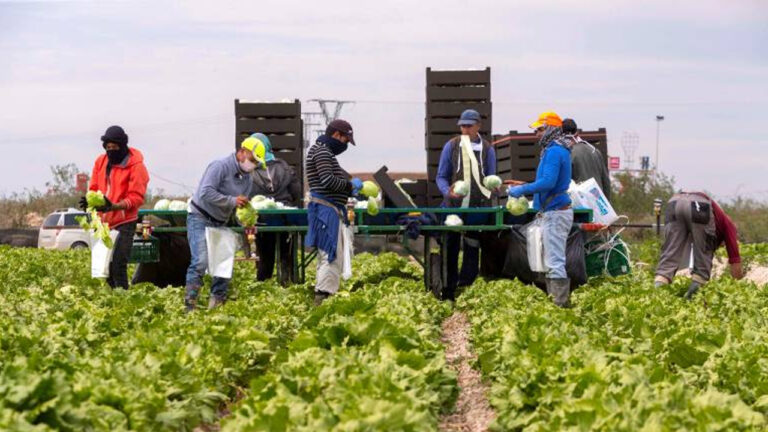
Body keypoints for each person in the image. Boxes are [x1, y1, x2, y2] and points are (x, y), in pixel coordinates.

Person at [184, 137, 265, 311]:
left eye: (256, 163)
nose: (253, 165)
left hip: (220, 221)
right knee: (200, 261)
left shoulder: (248, 178)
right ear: (242, 152)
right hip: (200, 216)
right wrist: (232, 200)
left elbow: (239, 205)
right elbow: (205, 193)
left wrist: (246, 221)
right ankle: (190, 305)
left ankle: (217, 304)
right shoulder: (220, 166)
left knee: (223, 262)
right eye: (252, 160)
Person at [507, 111, 574, 307]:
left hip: (555, 212)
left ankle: (560, 306)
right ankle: (556, 304)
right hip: (553, 210)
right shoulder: (558, 149)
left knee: (554, 262)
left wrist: (521, 190)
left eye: (540, 129)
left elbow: (547, 182)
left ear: (551, 129)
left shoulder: (554, 151)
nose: (537, 133)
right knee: (552, 261)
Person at [435, 109, 497, 301]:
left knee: (472, 244)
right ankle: (448, 289)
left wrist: (494, 187)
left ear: (478, 126)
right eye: (462, 126)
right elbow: (441, 176)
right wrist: (448, 192)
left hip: (478, 207)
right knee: (450, 245)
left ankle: (467, 285)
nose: (465, 129)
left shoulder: (488, 149)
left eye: (469, 126)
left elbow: (491, 176)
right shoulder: (451, 146)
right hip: (454, 207)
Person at [80, 125, 149, 290]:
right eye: (108, 147)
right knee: (107, 265)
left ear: (122, 146)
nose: (111, 151)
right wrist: (91, 202)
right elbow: (95, 187)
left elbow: (136, 197)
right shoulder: (101, 161)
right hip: (104, 222)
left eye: (115, 147)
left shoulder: (136, 166)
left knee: (119, 263)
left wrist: (114, 206)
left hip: (125, 220)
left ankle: (123, 298)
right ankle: (113, 296)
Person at [305, 119, 362, 305]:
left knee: (329, 256)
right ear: (337, 135)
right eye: (346, 140)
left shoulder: (324, 152)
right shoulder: (322, 152)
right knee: (330, 255)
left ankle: (324, 297)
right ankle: (322, 299)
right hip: (325, 210)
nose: (345, 145)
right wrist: (349, 186)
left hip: (328, 209)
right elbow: (327, 180)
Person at [654, 192, 743, 299]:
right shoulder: (729, 227)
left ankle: (656, 297)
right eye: (724, 244)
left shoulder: (717, 220)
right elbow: (735, 261)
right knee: (703, 263)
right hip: (698, 205)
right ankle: (690, 300)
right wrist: (739, 290)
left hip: (674, 202)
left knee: (668, 259)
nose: (723, 246)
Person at [248, 133, 302, 285]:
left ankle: (263, 286)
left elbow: (248, 196)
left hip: (263, 221)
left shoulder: (251, 172)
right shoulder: (284, 167)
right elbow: (296, 192)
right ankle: (288, 283)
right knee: (287, 254)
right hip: (285, 219)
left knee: (265, 256)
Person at [562, 118, 611, 200]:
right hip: (599, 203)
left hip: (581, 205)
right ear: (577, 133)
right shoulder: (595, 151)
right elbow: (606, 182)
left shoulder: (567, 154)